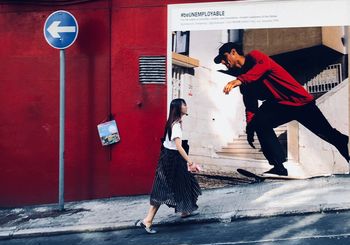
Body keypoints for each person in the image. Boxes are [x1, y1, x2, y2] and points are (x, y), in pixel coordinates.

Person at [214, 42, 349, 176]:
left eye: (224, 58)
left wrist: (239, 80)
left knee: (327, 134)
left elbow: (263, 67)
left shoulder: (254, 57)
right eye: (221, 62)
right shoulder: (244, 82)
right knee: (259, 122)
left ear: (233, 52)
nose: (224, 63)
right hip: (279, 104)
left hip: (300, 102)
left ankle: (343, 144)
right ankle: (278, 166)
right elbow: (250, 106)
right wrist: (250, 128)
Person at [135, 98, 202, 234]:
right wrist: (191, 162)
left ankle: (184, 211)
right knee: (162, 190)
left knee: (185, 182)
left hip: (171, 158)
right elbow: (178, 147)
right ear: (178, 108)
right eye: (184, 105)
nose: (186, 106)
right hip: (171, 160)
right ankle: (147, 220)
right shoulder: (175, 125)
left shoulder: (175, 122)